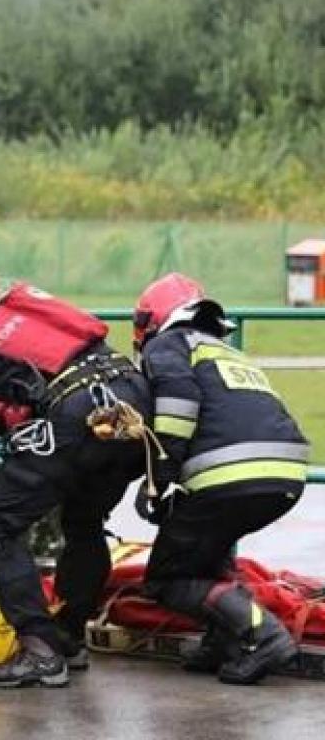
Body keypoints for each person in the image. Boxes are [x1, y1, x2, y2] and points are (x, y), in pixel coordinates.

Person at [0, 277, 152, 688]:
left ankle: (40, 649)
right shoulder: (18, 316)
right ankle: (69, 636)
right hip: (130, 403)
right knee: (84, 522)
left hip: (77, 416)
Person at [132, 273, 307, 685]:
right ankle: (224, 640)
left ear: (155, 320)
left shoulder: (169, 346)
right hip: (283, 474)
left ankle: (263, 636)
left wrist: (157, 480)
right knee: (206, 556)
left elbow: (176, 409)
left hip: (227, 475)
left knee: (166, 580)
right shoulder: (226, 353)